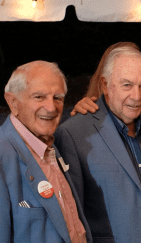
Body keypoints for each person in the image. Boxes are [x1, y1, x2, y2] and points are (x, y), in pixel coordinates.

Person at [54, 46, 141, 243]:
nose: (136, 96)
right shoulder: (73, 133)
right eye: (127, 85)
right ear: (105, 84)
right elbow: (72, 214)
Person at [0, 61, 91, 243]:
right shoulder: (3, 156)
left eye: (57, 98)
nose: (51, 108)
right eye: (39, 97)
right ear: (13, 102)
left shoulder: (49, 145)